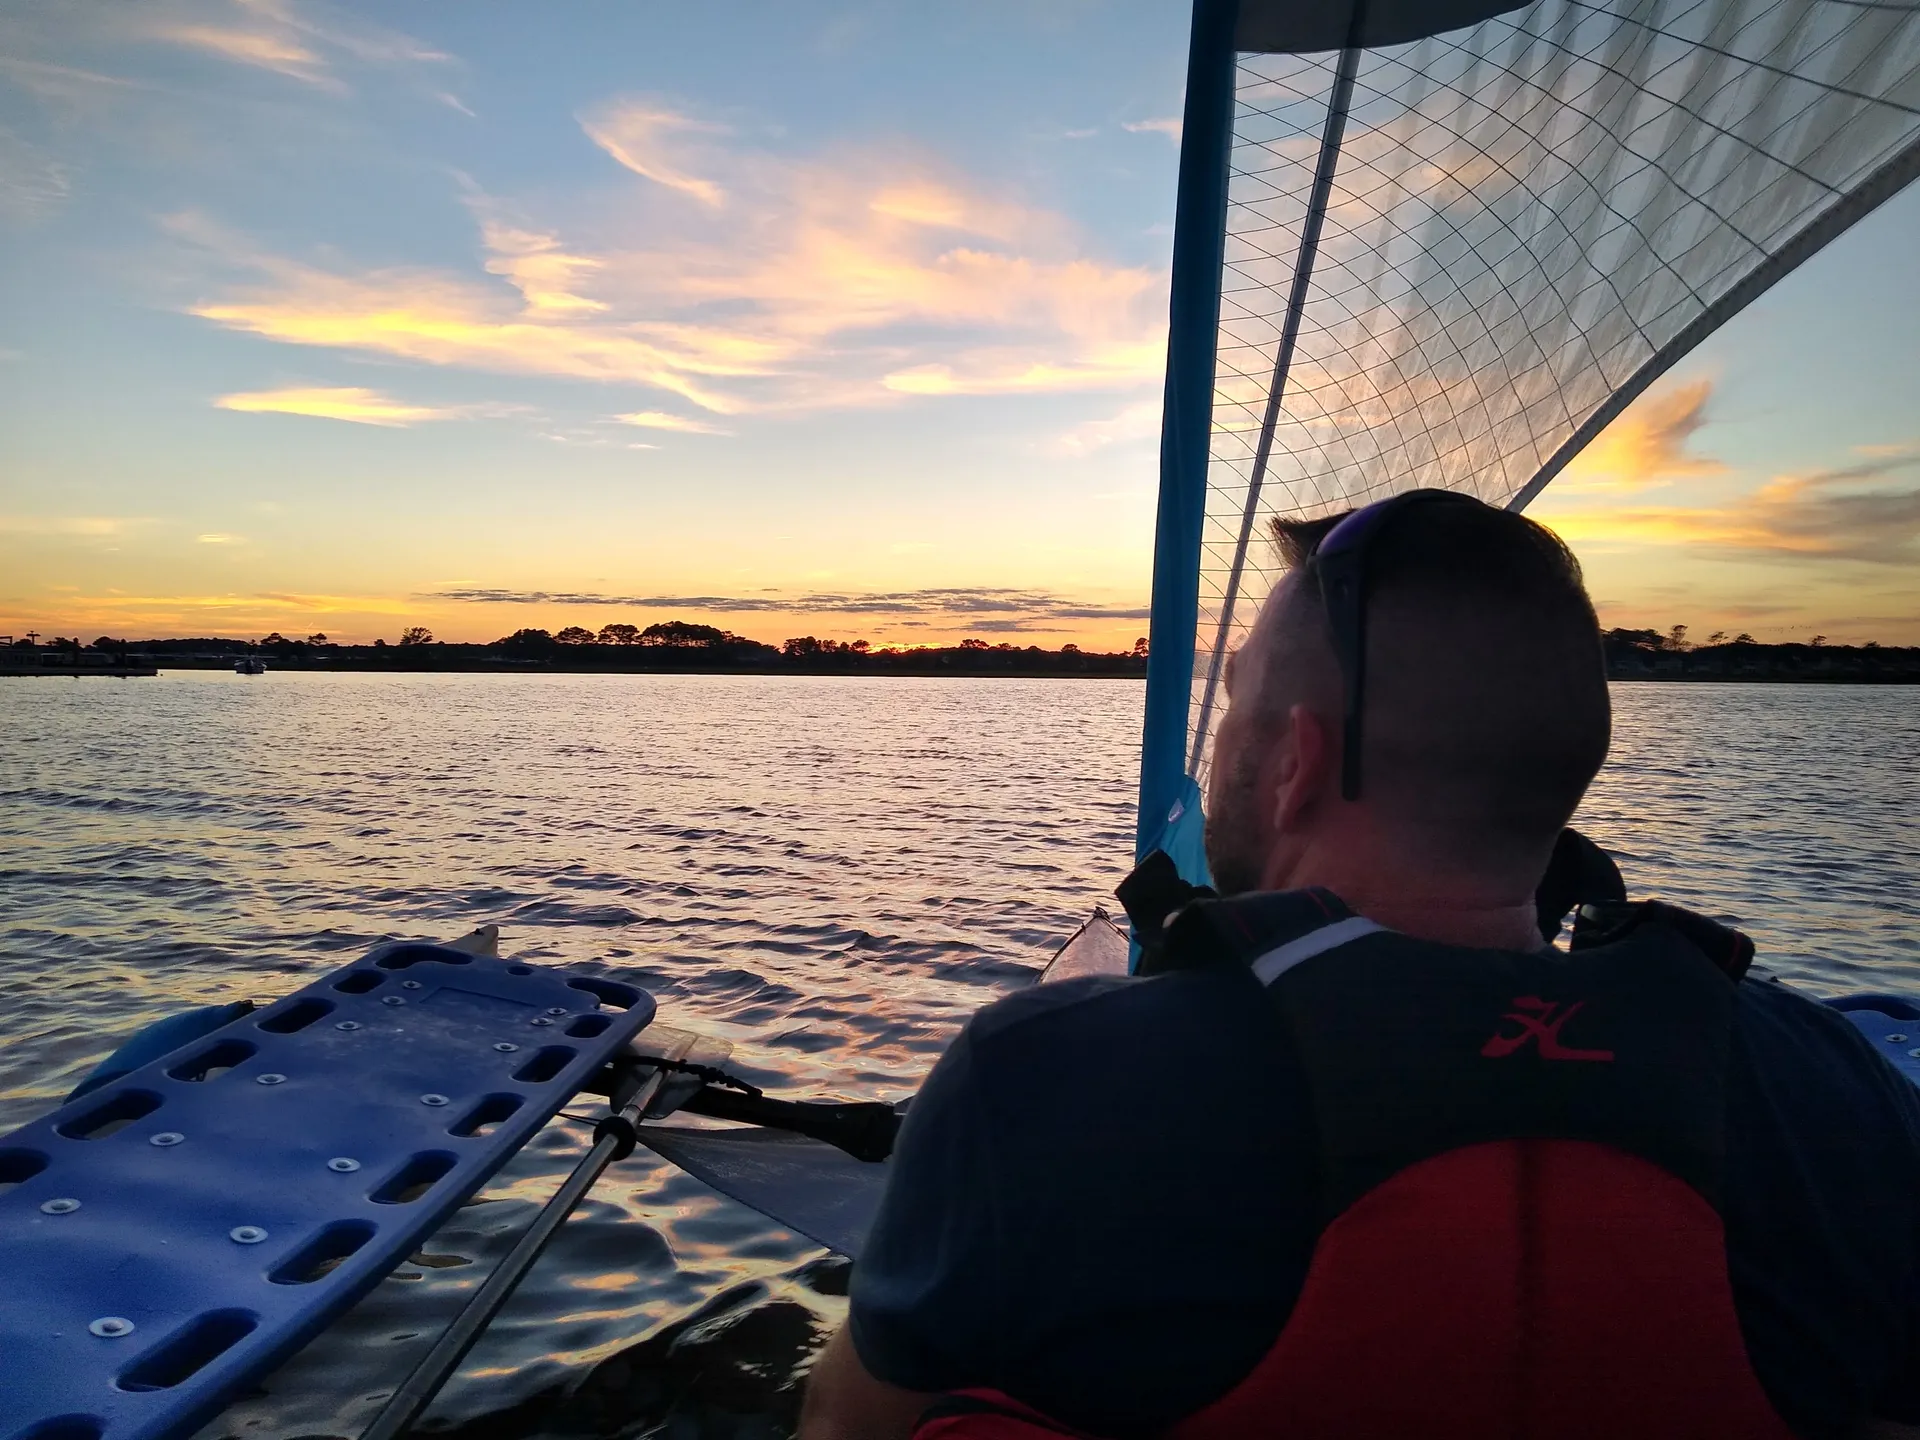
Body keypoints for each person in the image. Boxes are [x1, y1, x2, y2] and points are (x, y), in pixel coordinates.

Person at [800, 491, 1920, 1440]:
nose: (1228, 737)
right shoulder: (1841, 1092)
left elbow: (852, 1426)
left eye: (1239, 704)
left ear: (1295, 761)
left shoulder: (1042, 1078)